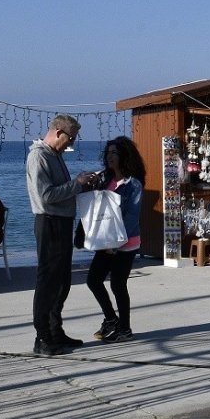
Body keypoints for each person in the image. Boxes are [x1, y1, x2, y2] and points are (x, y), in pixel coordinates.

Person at [26, 114, 97, 356]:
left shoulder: (54, 155)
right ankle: (42, 337)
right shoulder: (39, 156)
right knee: (47, 281)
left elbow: (60, 191)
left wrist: (82, 183)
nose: (71, 144)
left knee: (62, 281)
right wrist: (77, 183)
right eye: (70, 139)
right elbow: (46, 195)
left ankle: (55, 331)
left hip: (62, 222)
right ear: (58, 133)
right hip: (49, 223)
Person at [86, 136, 145, 343]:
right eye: (108, 153)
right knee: (93, 280)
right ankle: (111, 319)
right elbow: (93, 206)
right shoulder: (104, 179)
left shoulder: (133, 185)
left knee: (118, 285)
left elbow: (131, 216)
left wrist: (116, 243)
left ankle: (125, 328)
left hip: (125, 243)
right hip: (105, 241)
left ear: (124, 156)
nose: (109, 156)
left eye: (114, 153)